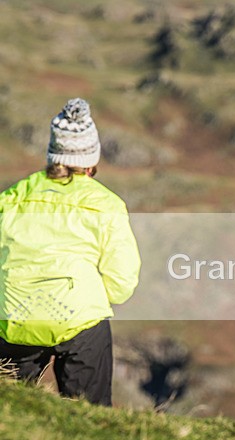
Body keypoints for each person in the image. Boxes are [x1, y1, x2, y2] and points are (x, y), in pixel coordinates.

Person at [0, 97, 140, 406]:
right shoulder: (106, 204)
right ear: (91, 161)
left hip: (15, 319)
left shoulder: (11, 197)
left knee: (9, 409)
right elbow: (122, 283)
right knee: (91, 413)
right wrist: (86, 294)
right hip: (79, 322)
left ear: (53, 155)